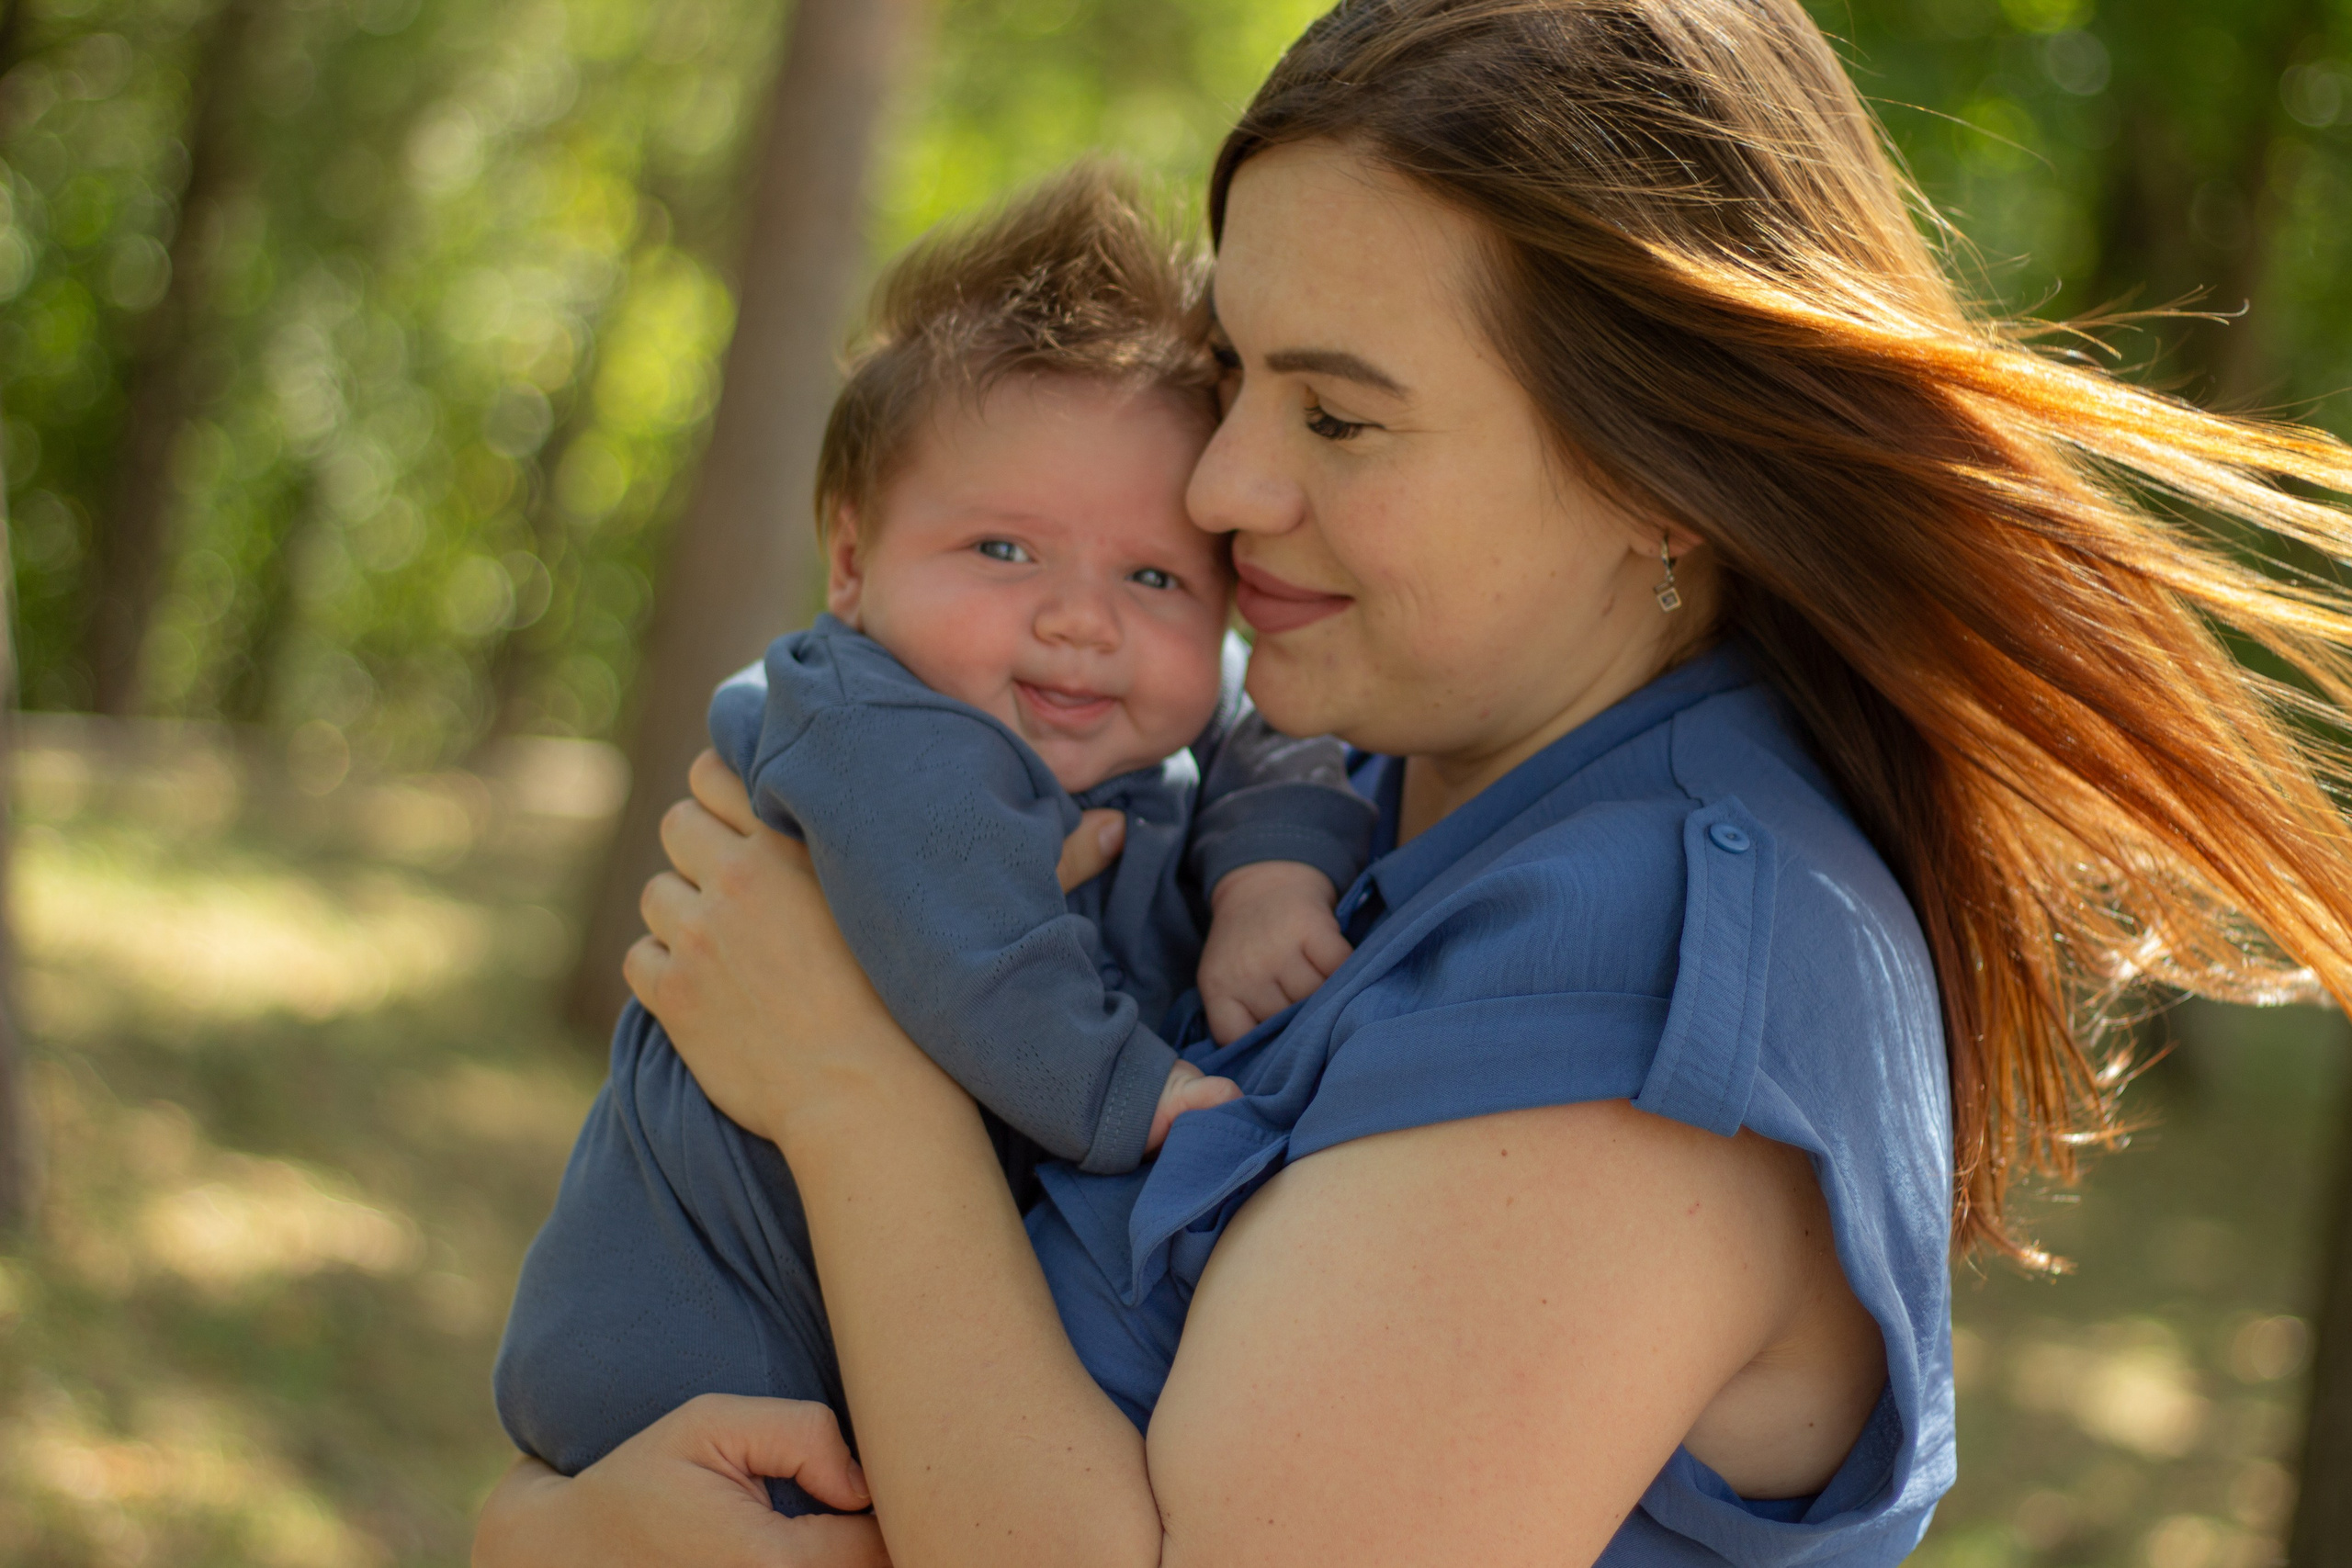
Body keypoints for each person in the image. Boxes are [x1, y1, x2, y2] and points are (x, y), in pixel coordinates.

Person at [474, 2, 2352, 1563]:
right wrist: (551, 1538)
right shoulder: (1382, 755)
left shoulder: (1649, 1002)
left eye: (1337, 415)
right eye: (1235, 384)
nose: (1213, 491)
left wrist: (845, 1086)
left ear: (1657, 467)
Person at [491, 165, 1378, 1508]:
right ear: (850, 564)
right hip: (695, 1347)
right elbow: (972, 949)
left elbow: (1264, 730)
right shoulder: (868, 725)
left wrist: (1269, 873)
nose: (1081, 618)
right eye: (1004, 552)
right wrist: (1134, 1099)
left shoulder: (1136, 732)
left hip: (884, 1360)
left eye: (1153, 577)